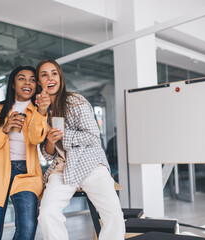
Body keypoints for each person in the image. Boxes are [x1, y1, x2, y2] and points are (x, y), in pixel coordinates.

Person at [36, 59, 125, 240]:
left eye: (54, 73)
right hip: (62, 168)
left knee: (114, 215)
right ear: (39, 82)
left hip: (89, 163)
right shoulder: (39, 112)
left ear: (60, 77)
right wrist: (51, 141)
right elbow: (47, 153)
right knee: (47, 214)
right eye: (44, 75)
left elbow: (93, 137)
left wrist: (62, 135)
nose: (50, 78)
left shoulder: (75, 101)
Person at [0, 65, 50, 240]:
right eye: (22, 78)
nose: (28, 83)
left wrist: (41, 112)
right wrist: (4, 129)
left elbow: (35, 139)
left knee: (27, 228)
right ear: (13, 84)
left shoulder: (39, 112)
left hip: (27, 174)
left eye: (32, 79)